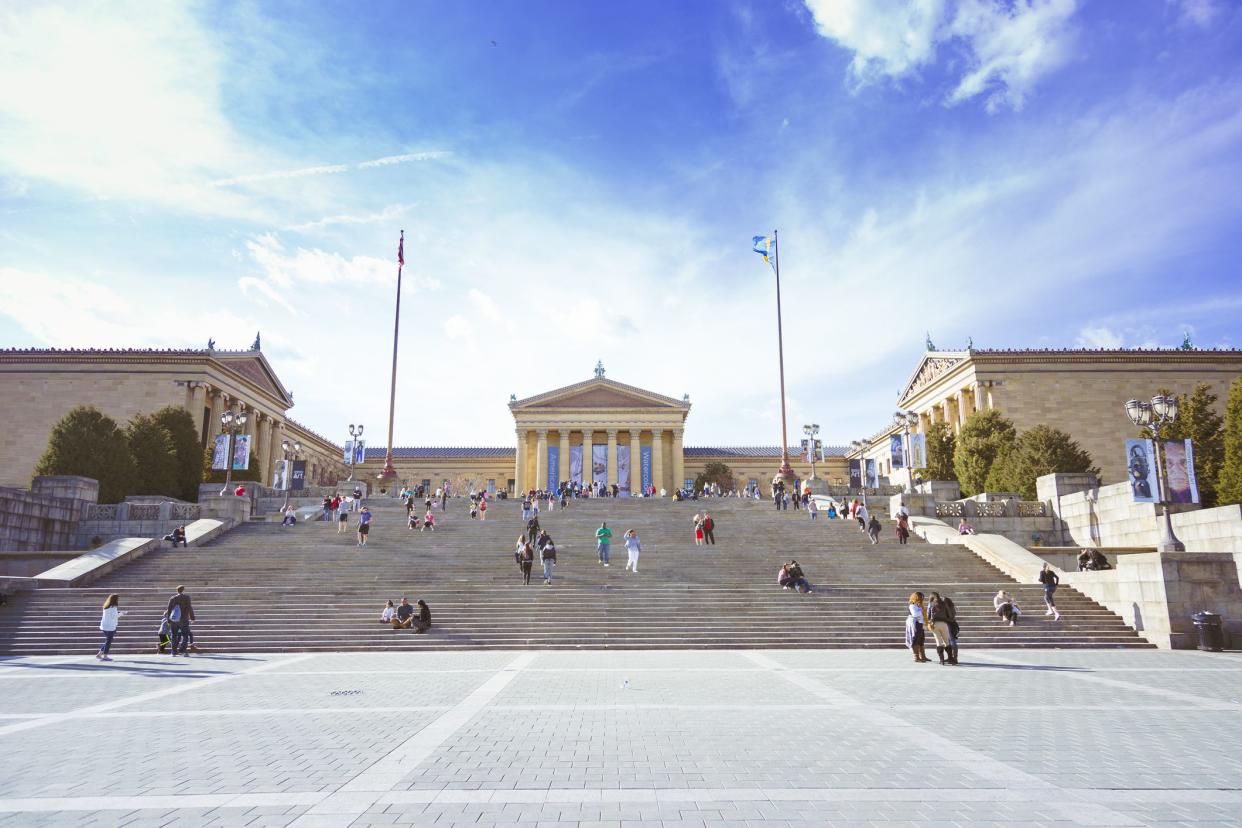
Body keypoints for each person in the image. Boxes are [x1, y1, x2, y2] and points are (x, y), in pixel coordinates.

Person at [166, 585, 195, 656]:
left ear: (177, 590)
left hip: (174, 620)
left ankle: (174, 652)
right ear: (183, 590)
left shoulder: (172, 598)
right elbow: (189, 608)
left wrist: (168, 620)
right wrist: (192, 618)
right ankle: (182, 650)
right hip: (184, 619)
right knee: (185, 635)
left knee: (174, 635)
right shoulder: (187, 598)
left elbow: (169, 609)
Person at [926, 591, 953, 665]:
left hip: (935, 624)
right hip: (944, 624)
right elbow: (949, 615)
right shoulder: (944, 603)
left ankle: (942, 660)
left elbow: (928, 616)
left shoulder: (930, 604)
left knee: (938, 641)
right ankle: (950, 658)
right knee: (946, 641)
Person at [97, 593, 126, 660]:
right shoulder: (113, 607)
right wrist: (122, 613)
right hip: (110, 627)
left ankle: (99, 654)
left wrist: (118, 613)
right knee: (108, 641)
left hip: (104, 626)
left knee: (108, 641)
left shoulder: (106, 606)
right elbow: (114, 616)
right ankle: (105, 656)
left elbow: (111, 614)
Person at [906, 592, 929, 663]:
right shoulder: (912, 606)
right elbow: (915, 614)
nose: (921, 599)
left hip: (920, 624)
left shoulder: (919, 606)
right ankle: (916, 656)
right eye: (919, 597)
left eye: (922, 598)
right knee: (916, 639)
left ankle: (923, 656)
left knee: (921, 639)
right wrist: (921, 610)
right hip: (915, 624)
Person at [942, 594, 960, 665]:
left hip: (951, 625)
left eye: (944, 602)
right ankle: (950, 657)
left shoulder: (951, 608)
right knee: (947, 642)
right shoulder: (944, 608)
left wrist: (947, 607)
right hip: (946, 625)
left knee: (952, 641)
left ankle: (955, 658)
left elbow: (951, 617)